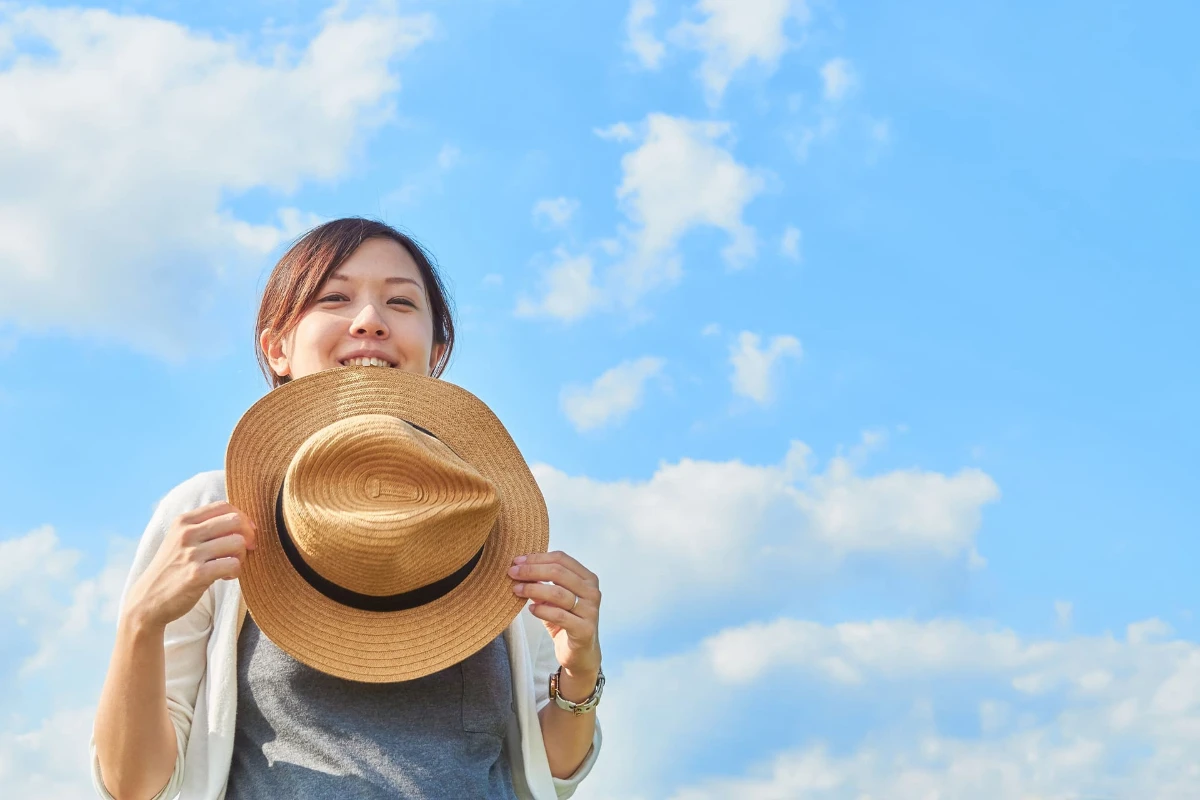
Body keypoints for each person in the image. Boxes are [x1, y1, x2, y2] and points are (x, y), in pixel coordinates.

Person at [90, 217, 604, 799]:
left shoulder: (488, 519)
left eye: (401, 302)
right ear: (277, 347)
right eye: (334, 297)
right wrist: (140, 623)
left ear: (436, 352)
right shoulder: (217, 510)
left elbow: (551, 770)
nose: (370, 321)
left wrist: (580, 667)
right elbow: (133, 786)